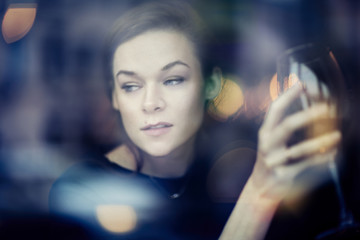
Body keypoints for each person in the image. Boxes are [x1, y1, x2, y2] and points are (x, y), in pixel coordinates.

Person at [49, 1, 341, 239]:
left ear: (209, 85)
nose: (151, 103)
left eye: (173, 80)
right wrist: (261, 189)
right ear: (114, 96)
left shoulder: (218, 181)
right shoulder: (81, 191)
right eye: (131, 86)